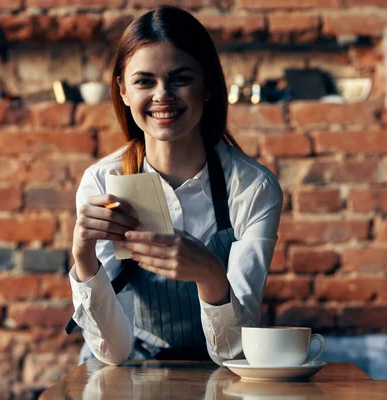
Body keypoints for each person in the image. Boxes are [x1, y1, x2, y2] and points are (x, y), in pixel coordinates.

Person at [67, 5, 283, 366]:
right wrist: (83, 258)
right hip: (128, 366)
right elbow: (113, 352)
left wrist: (209, 274)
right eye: (144, 81)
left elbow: (234, 351)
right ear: (122, 91)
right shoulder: (104, 182)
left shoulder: (252, 188)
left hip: (221, 370)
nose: (162, 94)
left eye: (181, 78)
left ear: (209, 85)